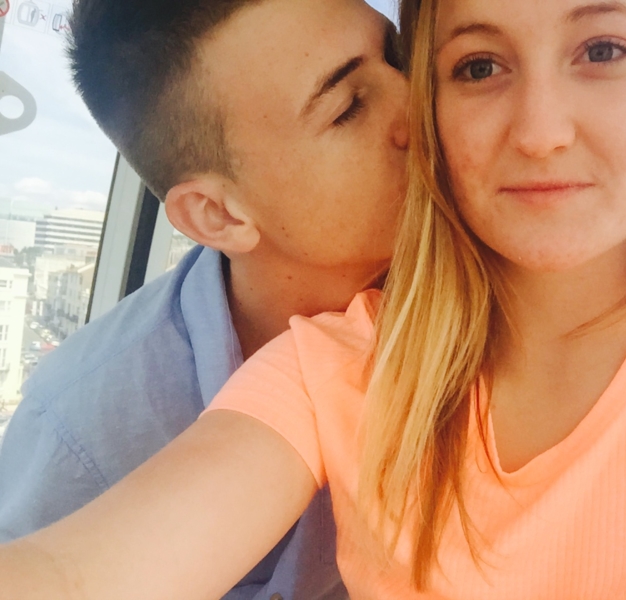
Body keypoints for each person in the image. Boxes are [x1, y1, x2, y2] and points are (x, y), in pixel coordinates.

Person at [2, 0, 626, 598]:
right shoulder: (312, 374)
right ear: (220, 215)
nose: (419, 109)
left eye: (602, 50)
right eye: (476, 67)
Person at [0, 0, 408, 598]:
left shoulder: (492, 291)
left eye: (399, 56)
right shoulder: (85, 434)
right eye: (348, 107)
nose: (419, 107)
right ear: (218, 215)